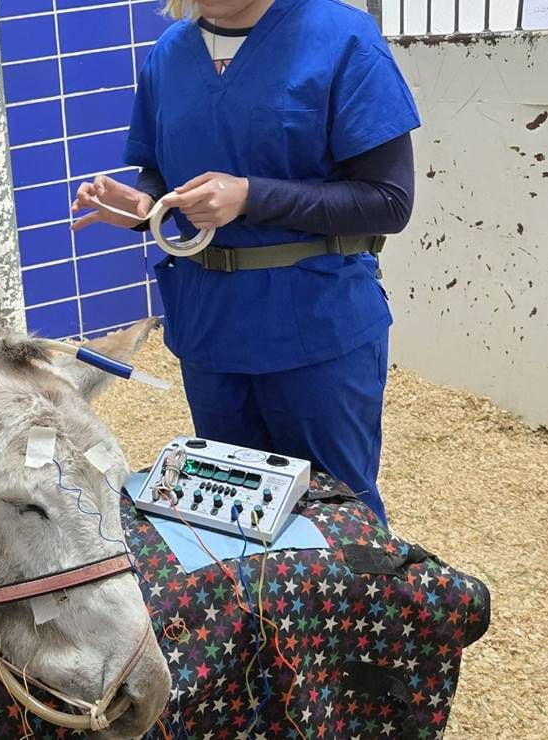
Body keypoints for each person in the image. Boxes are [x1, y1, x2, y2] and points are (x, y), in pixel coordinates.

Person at [71, 0, 418, 526]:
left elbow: (388, 201)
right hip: (212, 330)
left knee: (339, 519)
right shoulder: (171, 54)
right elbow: (159, 171)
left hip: (315, 326)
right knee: (233, 516)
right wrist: (147, 209)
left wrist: (252, 196)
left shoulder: (344, 39)